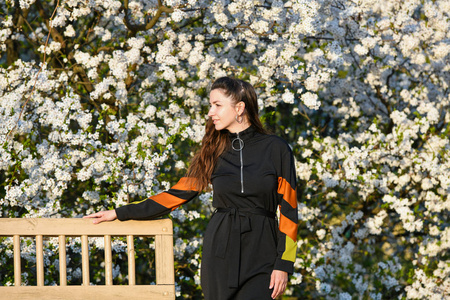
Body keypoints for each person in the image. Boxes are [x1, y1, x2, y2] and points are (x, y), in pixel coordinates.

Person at [85, 77, 298, 299]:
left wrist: (284, 264)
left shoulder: (277, 149)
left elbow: (289, 211)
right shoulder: (214, 149)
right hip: (220, 249)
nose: (210, 112)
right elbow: (175, 196)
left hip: (262, 250)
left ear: (239, 108)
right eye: (210, 105)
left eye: (217, 105)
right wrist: (120, 212)